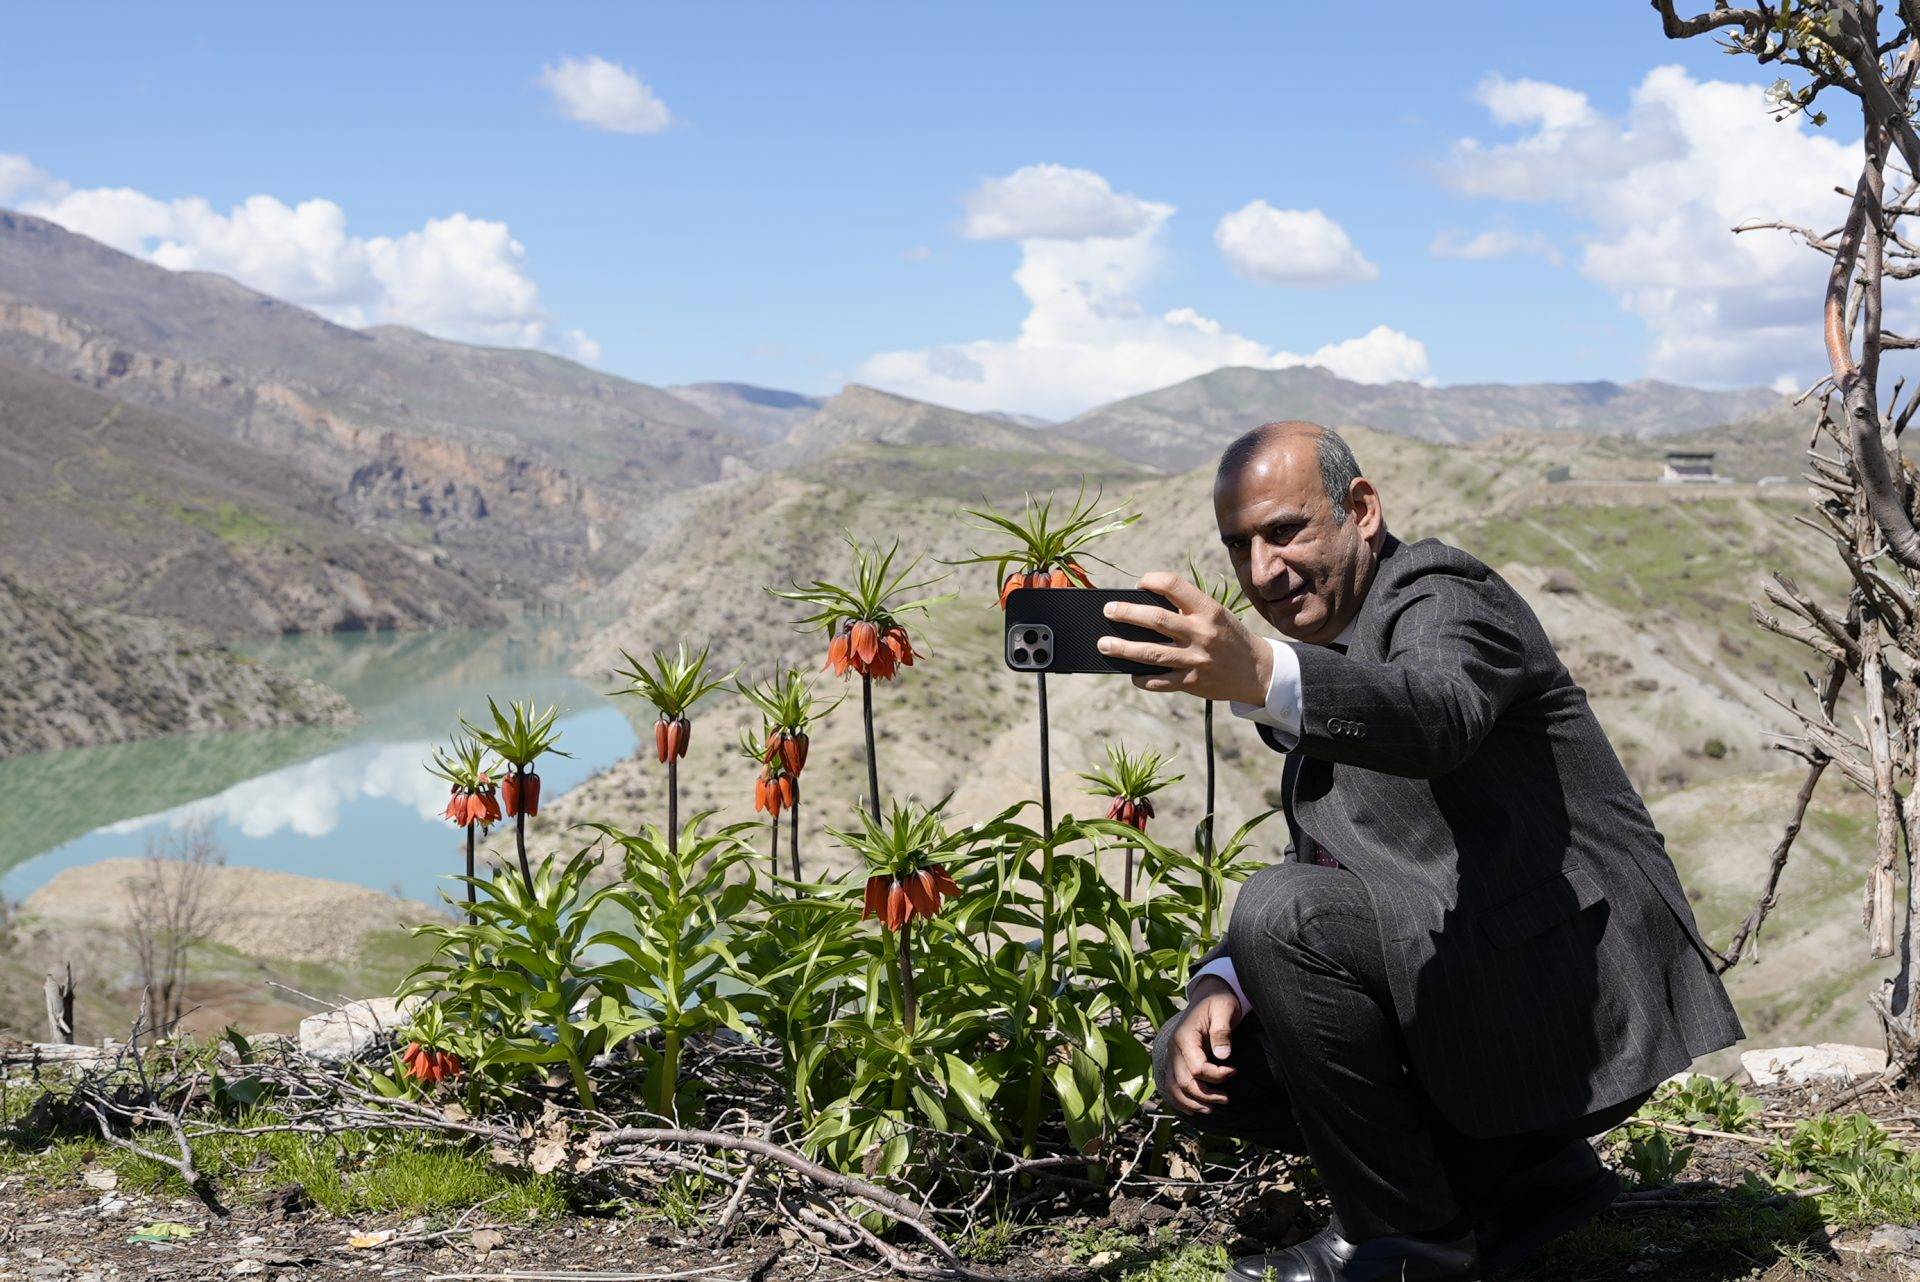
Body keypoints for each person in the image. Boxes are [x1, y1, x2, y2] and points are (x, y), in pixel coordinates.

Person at [1093, 421, 1742, 1282]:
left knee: (1278, 914)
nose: (1262, 573)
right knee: (1219, 1058)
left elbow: (1437, 714)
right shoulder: (1329, 648)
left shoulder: (1443, 592)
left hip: (1573, 987)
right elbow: (1333, 861)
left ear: (1361, 510)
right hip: (1482, 969)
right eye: (1239, 548)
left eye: (1285, 532)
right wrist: (1221, 983)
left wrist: (1264, 674)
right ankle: (1522, 1184)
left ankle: (1408, 1241)